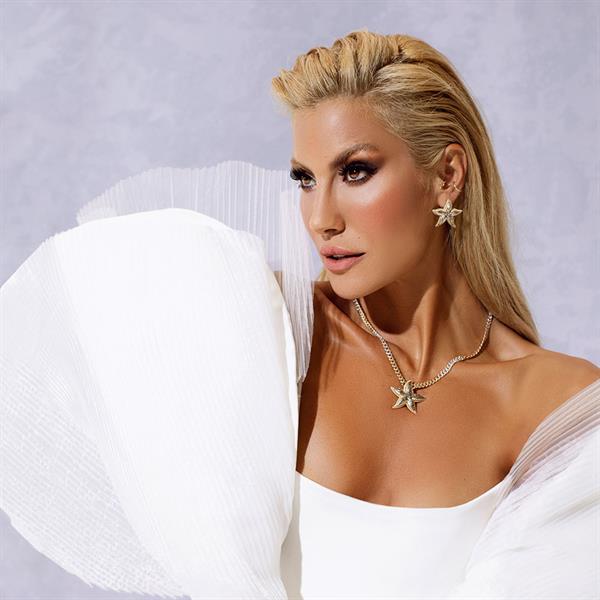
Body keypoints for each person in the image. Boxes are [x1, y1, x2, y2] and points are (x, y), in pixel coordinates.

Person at [0, 29, 598, 600]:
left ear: (447, 176)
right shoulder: (266, 335)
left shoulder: (558, 407)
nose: (320, 218)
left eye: (355, 172)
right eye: (305, 180)